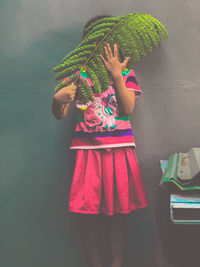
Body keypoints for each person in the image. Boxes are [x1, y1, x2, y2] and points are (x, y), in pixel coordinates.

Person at [51, 14, 148, 267]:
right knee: (88, 214)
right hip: (88, 154)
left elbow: (127, 109)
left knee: (119, 214)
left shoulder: (125, 71)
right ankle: (94, 262)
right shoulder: (78, 73)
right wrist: (57, 100)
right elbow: (60, 113)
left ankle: (117, 262)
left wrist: (117, 75)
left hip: (120, 151)